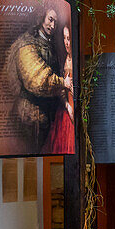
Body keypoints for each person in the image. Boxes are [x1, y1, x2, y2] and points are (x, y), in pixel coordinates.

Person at [6, 8, 72, 152]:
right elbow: (37, 79)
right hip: (29, 115)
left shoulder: (50, 44)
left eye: (55, 21)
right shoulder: (27, 44)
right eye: (50, 19)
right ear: (42, 18)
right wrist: (62, 82)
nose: (53, 26)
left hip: (48, 114)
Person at [45, 26, 76, 154]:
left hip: (75, 109)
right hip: (66, 109)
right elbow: (61, 90)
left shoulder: (74, 60)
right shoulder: (65, 60)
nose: (66, 43)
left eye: (69, 38)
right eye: (64, 38)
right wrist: (67, 105)